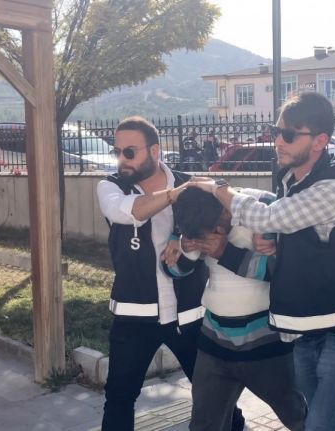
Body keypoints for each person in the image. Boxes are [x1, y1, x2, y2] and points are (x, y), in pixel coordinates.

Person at [189, 92, 335, 430]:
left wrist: (218, 189)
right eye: (276, 131)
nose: (277, 141)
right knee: (316, 422)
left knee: (318, 427)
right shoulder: (290, 179)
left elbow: (268, 216)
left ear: (320, 141)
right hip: (302, 327)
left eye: (288, 134)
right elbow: (298, 232)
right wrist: (275, 242)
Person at [96, 116, 244, 430]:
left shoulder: (189, 183)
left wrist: (185, 237)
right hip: (133, 315)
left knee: (215, 394)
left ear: (155, 151)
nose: (122, 159)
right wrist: (174, 195)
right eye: (117, 152)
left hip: (190, 314)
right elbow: (126, 211)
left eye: (130, 152)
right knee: (120, 396)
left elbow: (220, 220)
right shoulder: (111, 186)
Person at [165, 187, 306, 431]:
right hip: (214, 340)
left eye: (216, 229)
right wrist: (184, 246)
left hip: (266, 342)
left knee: (300, 418)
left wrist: (225, 251)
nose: (216, 234)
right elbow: (174, 270)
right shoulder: (195, 213)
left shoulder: (263, 208)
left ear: (223, 210)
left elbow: (282, 271)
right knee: (204, 424)